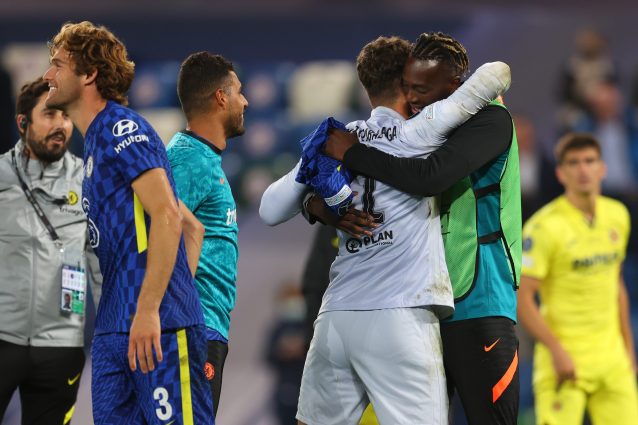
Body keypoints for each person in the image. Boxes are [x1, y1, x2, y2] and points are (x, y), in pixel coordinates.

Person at [260, 35, 511, 424]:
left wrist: (312, 202)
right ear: (408, 83)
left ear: (365, 86)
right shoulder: (424, 129)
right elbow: (494, 75)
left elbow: (269, 209)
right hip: (401, 313)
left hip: (337, 317)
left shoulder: (339, 137)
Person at [43, 21, 213, 424]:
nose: (48, 74)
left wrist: (159, 306)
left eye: (58, 65)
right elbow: (191, 226)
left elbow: (170, 216)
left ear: (89, 74)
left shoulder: (123, 128)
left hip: (156, 327)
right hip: (113, 331)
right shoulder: (93, 145)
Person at [0, 77, 102, 425]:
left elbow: (100, 268)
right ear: (22, 123)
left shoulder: (88, 181)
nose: (60, 124)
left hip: (61, 346)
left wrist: (113, 336)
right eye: (49, 114)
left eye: (66, 115)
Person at [517, 133, 638, 425]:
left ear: (602, 168)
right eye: (573, 163)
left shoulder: (618, 215)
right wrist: (556, 350)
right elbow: (522, 298)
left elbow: (617, 285)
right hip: (564, 358)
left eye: (589, 161)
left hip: (612, 360)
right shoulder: (544, 227)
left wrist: (628, 349)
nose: (583, 169)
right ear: (560, 173)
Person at [166, 51, 248, 416]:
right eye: (239, 92)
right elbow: (159, 235)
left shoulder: (202, 157)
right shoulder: (188, 160)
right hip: (192, 327)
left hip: (206, 327)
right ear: (221, 98)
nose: (245, 101)